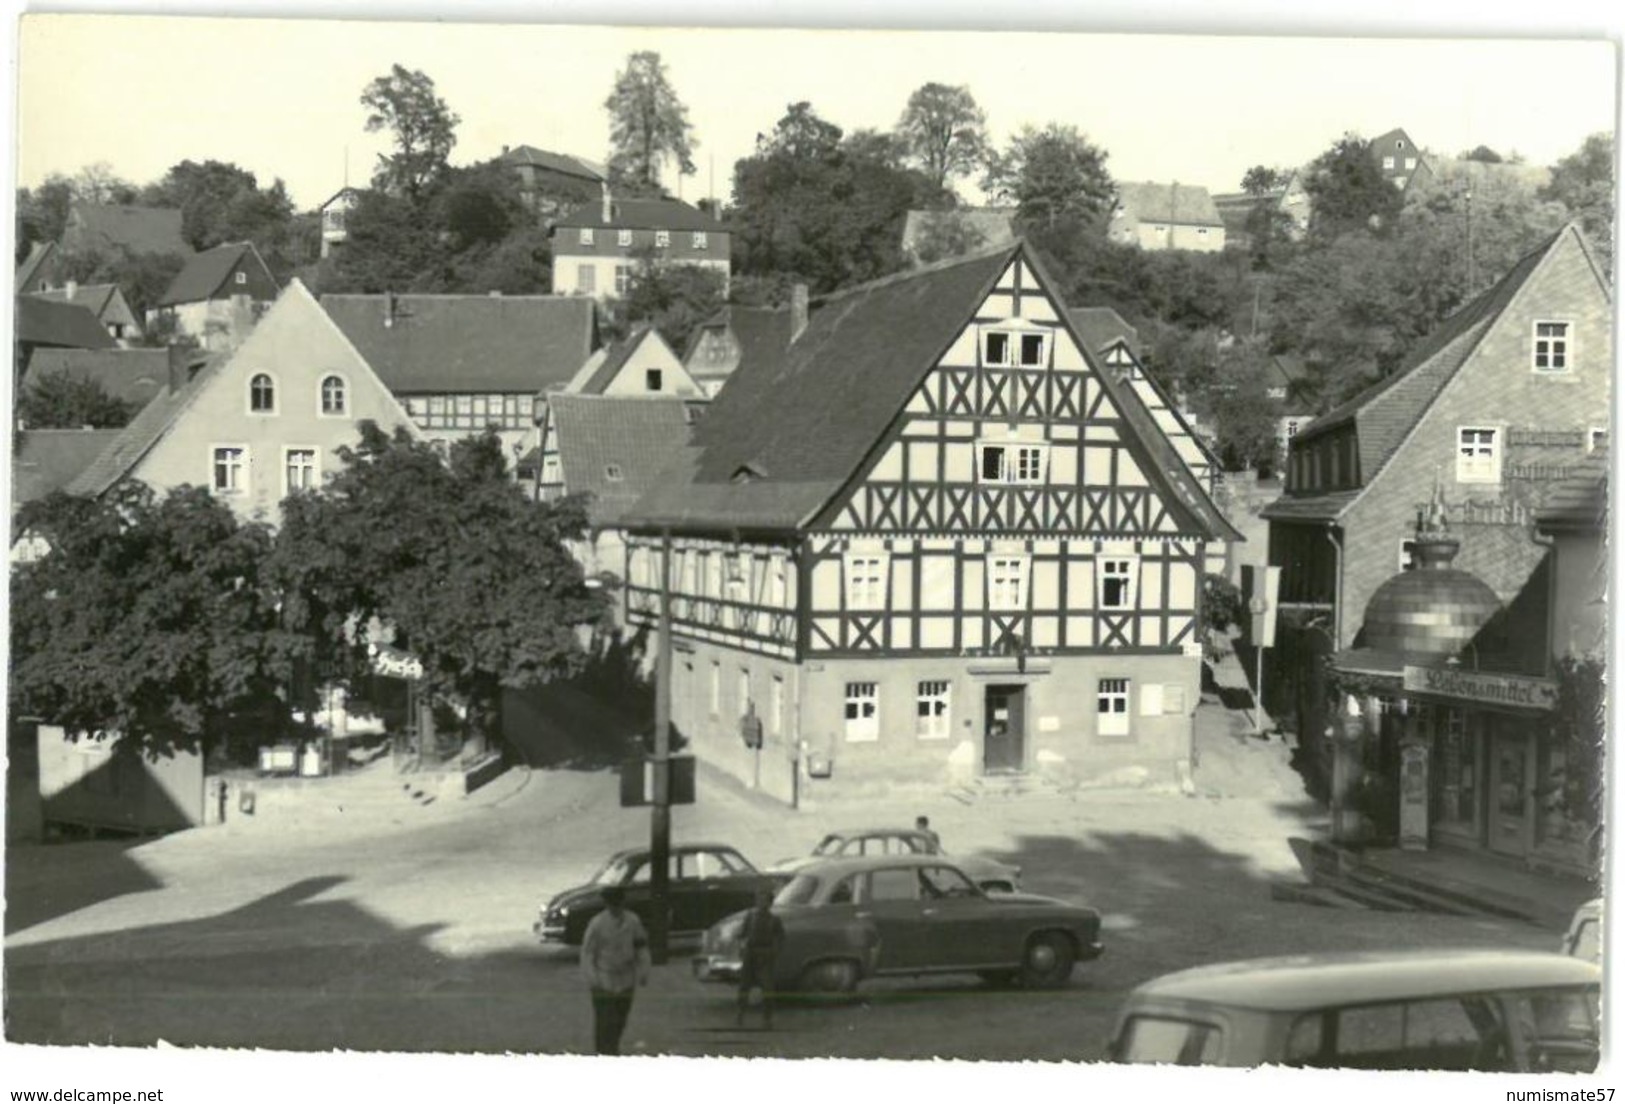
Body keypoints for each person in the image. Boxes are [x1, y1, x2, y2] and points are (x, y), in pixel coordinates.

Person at [580, 885, 651, 1055]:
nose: (616, 909)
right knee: (605, 1021)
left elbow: (641, 947)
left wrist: (644, 970)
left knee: (620, 1019)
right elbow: (588, 953)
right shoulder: (597, 924)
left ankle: (612, 1048)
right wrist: (592, 977)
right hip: (603, 978)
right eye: (612, 905)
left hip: (626, 978)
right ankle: (605, 1053)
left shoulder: (633, 921)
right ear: (607, 904)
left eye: (618, 904)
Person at [737, 887, 786, 1030]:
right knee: (744, 986)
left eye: (764, 901)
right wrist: (741, 948)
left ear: (769, 903)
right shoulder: (750, 917)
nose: (760, 904)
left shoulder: (774, 920)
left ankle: (767, 1019)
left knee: (768, 988)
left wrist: (774, 952)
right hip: (750, 954)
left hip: (765, 955)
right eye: (758, 900)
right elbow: (742, 934)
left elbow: (780, 938)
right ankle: (740, 1013)